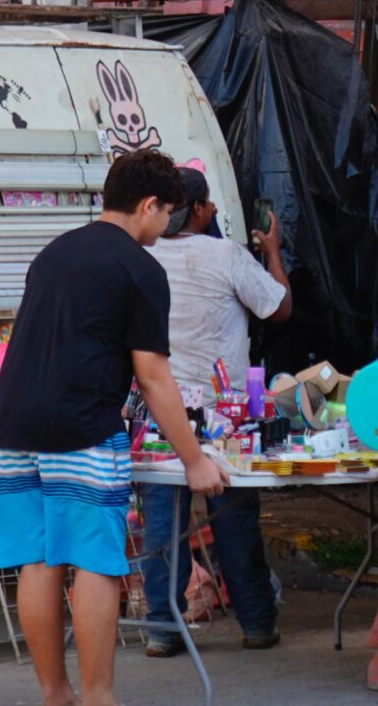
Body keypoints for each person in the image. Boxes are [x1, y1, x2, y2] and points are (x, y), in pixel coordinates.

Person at [0, 150, 225, 706]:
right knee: (93, 559)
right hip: (81, 427)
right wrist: (194, 460)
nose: (168, 225)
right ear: (149, 206)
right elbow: (153, 375)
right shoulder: (141, 269)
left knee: (39, 559)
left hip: (11, 424)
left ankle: (56, 695)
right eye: (168, 213)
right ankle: (98, 698)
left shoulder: (53, 253)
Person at [141, 165, 293, 657]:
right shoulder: (225, 253)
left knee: (164, 518)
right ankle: (255, 622)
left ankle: (163, 627)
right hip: (224, 413)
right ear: (202, 209)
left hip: (161, 412)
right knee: (232, 516)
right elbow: (279, 308)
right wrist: (272, 251)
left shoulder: (143, 256)